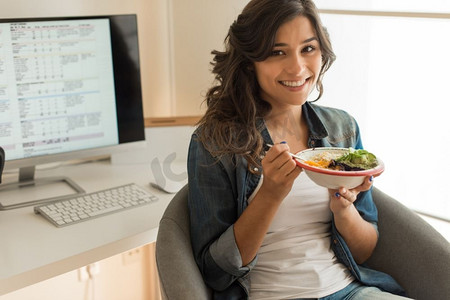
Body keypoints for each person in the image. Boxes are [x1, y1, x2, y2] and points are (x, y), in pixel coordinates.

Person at [187, 0, 410, 299]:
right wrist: (269, 195)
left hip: (348, 290)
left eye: (308, 49)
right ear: (250, 60)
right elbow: (215, 272)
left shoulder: (342, 128)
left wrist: (343, 210)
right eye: (277, 52)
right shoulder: (214, 142)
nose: (297, 67)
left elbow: (365, 250)